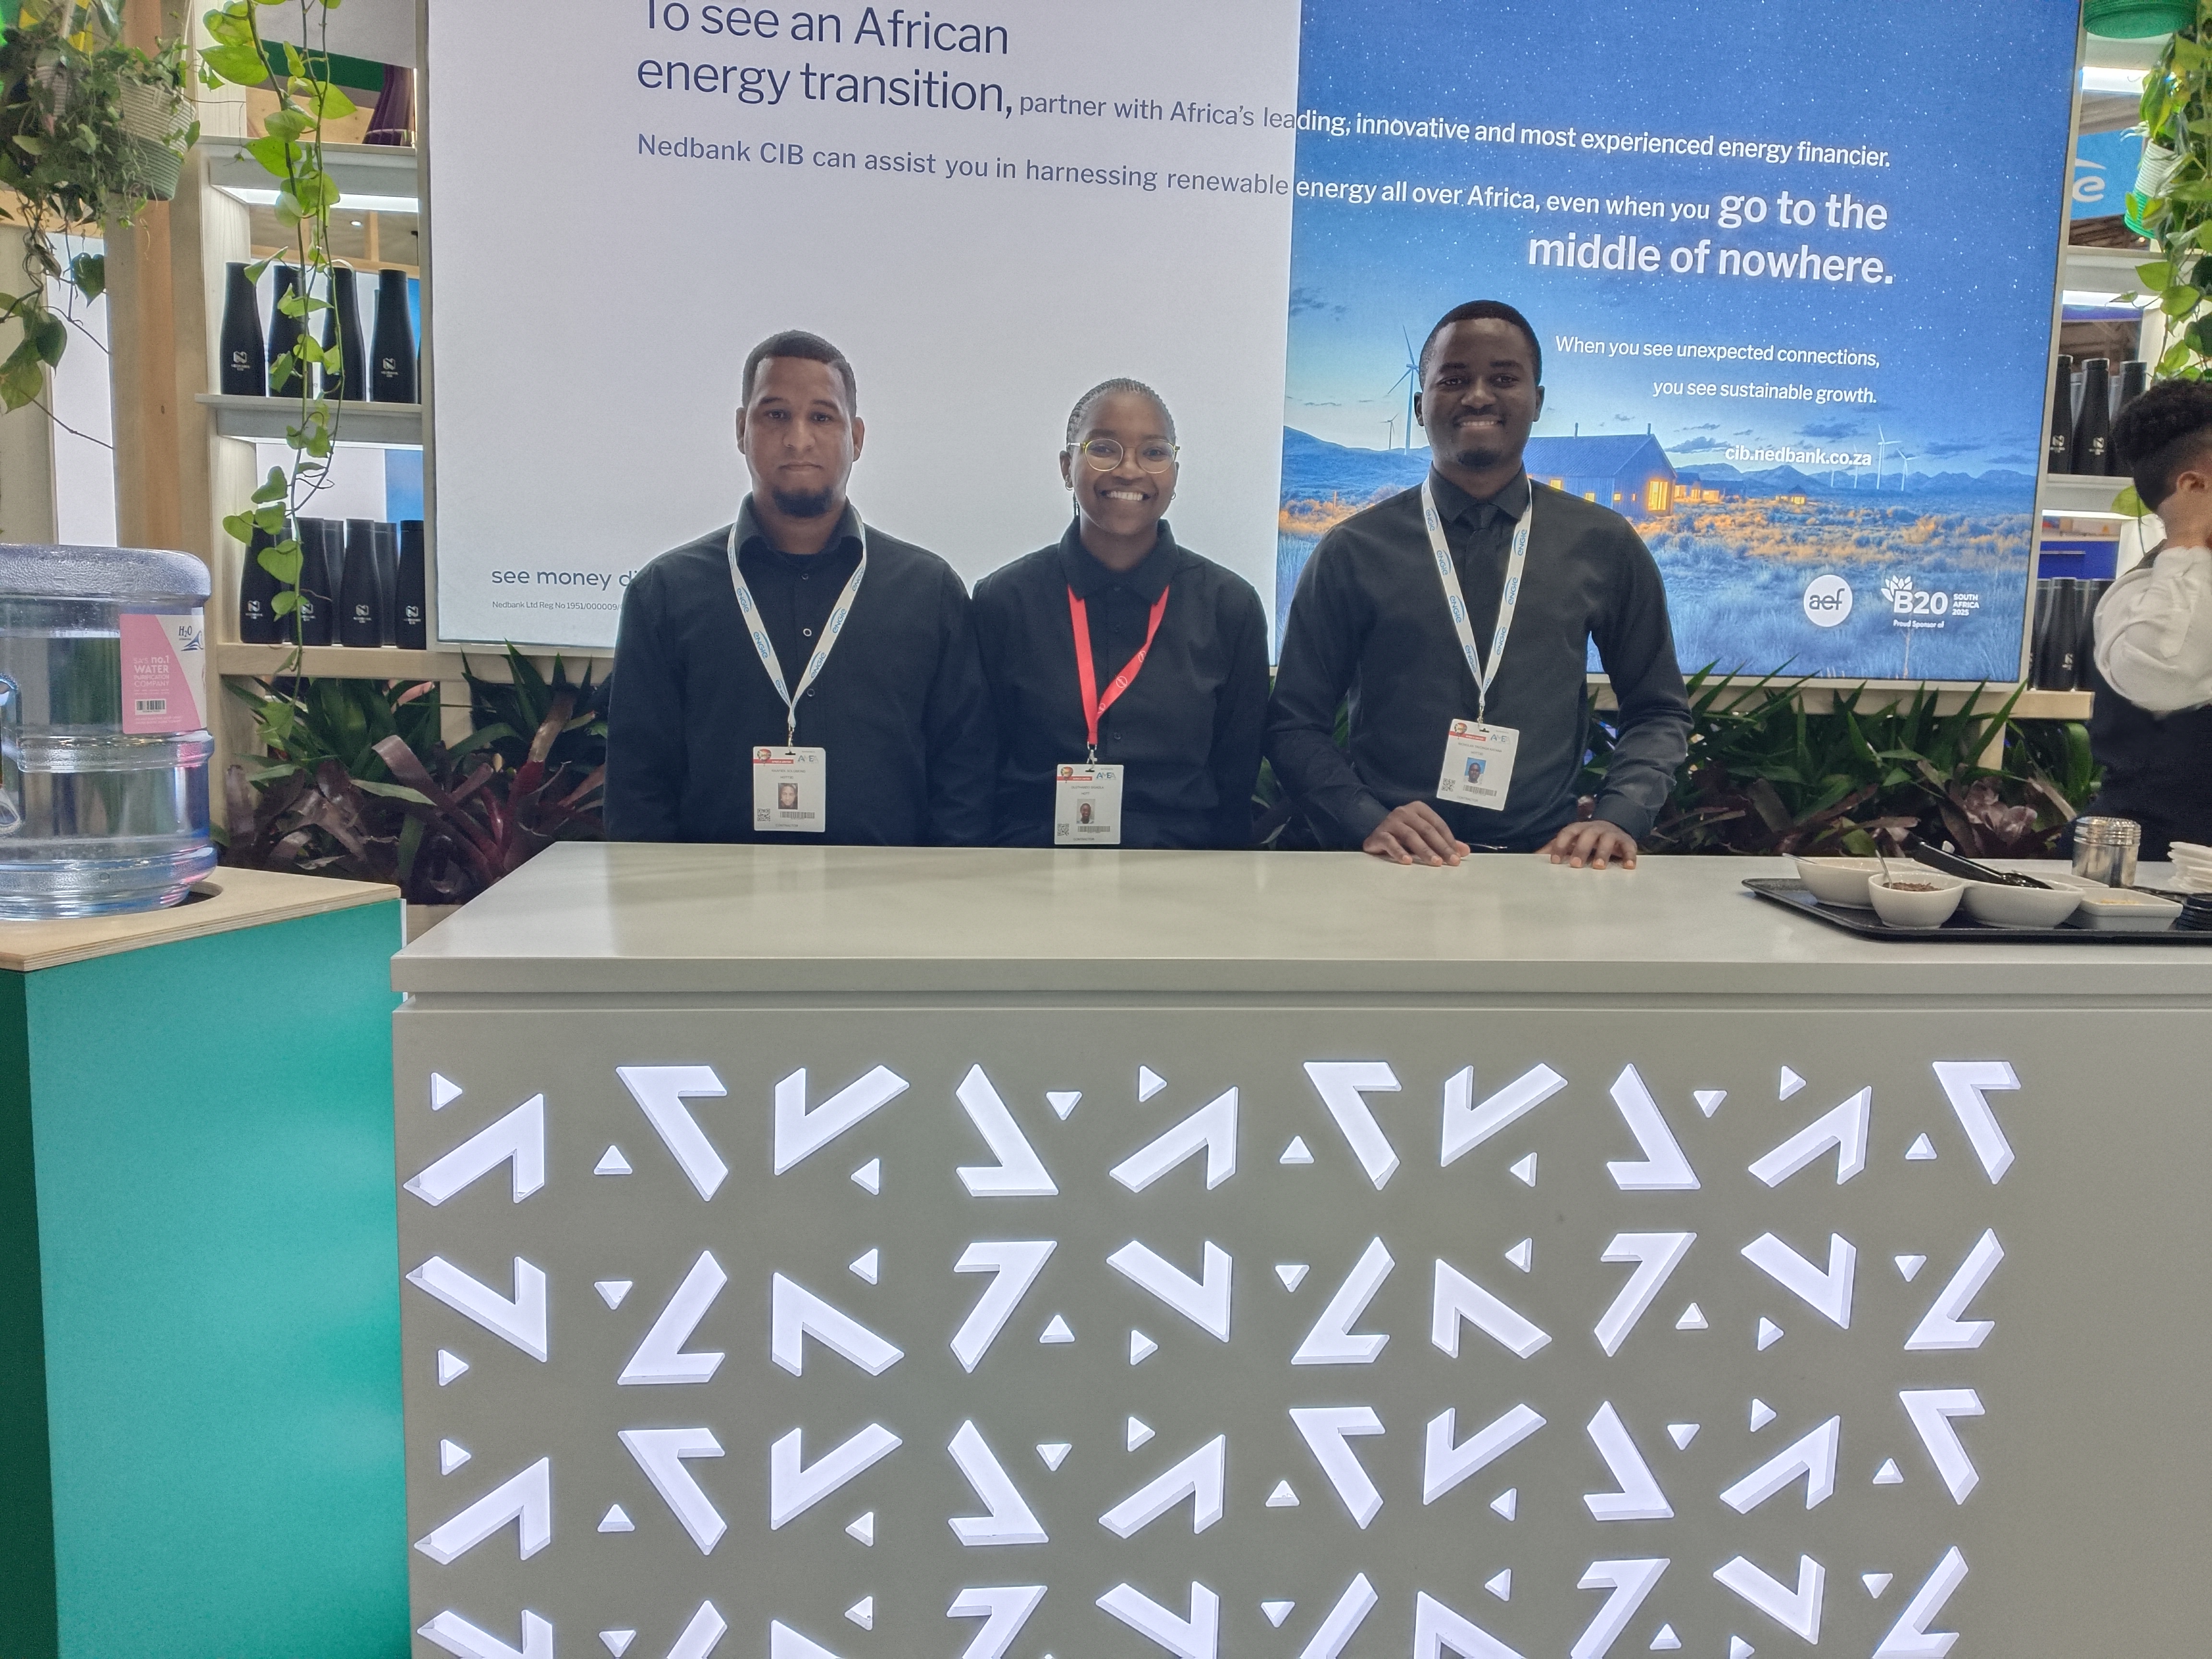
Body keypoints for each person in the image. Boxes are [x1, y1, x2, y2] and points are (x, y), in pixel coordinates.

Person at [1266, 300, 1692, 868]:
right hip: (1391, 867)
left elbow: (1658, 710)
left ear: (1538, 401)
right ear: (1420, 406)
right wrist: (1364, 818)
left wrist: (1620, 814)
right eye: (1454, 379)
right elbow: (1294, 724)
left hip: (1547, 866)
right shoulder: (1353, 551)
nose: (1478, 396)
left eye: (1504, 379)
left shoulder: (1605, 544)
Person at [605, 330, 996, 844]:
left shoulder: (929, 592)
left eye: (822, 417)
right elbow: (638, 790)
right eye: (776, 415)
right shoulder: (665, 595)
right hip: (714, 894)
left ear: (857, 437)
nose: (798, 439)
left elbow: (964, 779)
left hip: (887, 892)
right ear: (742, 429)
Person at [971, 379, 1270, 848]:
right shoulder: (1004, 601)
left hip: (1181, 869)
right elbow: (976, 768)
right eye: (1104, 449)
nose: (1129, 470)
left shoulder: (1230, 608)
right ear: (1066, 467)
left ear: (1174, 473)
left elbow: (1234, 782)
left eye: (1154, 453)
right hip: (1029, 867)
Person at [2085, 376, 2212, 857]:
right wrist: (2188, 538)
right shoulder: (2139, 599)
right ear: (2193, 486)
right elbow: (2167, 673)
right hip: (2150, 878)